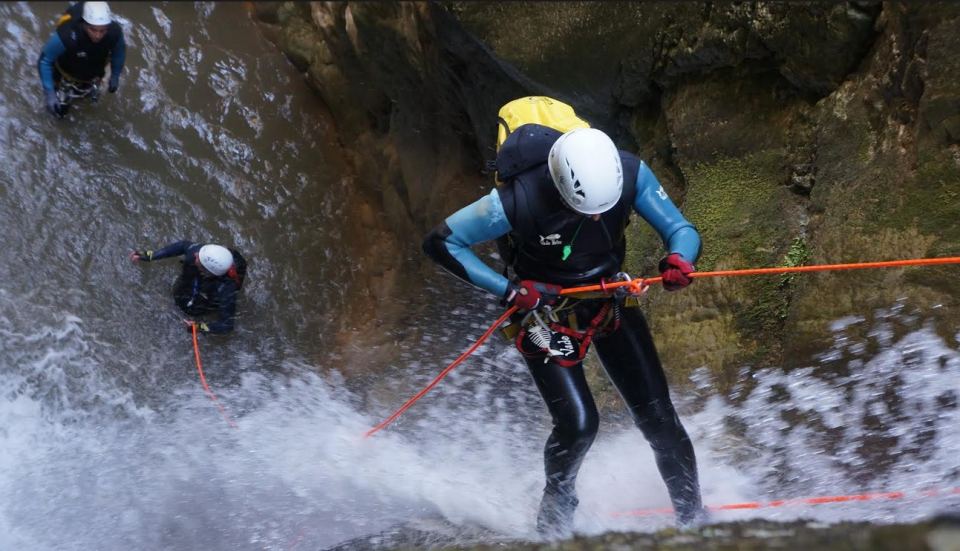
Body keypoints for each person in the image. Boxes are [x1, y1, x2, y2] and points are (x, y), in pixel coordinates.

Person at [423, 125, 706, 537]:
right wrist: (511, 291)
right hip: (542, 314)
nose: (595, 216)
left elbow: (681, 229)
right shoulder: (512, 202)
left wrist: (680, 259)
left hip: (610, 298)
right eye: (585, 208)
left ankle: (695, 521)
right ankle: (555, 513)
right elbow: (442, 243)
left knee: (660, 419)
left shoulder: (628, 173)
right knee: (578, 424)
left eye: (602, 208)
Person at [131, 241, 247, 335]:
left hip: (205, 299)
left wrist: (199, 327)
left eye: (199, 260)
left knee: (197, 302)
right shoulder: (199, 252)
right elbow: (182, 246)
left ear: (208, 271)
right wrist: (151, 256)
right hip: (191, 284)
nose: (196, 255)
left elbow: (226, 325)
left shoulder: (225, 289)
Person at [37, 1, 126, 118]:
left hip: (91, 77)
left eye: (102, 30)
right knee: (58, 113)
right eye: (93, 30)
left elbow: (119, 52)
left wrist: (115, 75)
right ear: (84, 24)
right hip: (63, 75)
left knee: (87, 103)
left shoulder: (114, 33)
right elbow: (45, 61)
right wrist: (50, 92)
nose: (98, 35)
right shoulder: (67, 36)